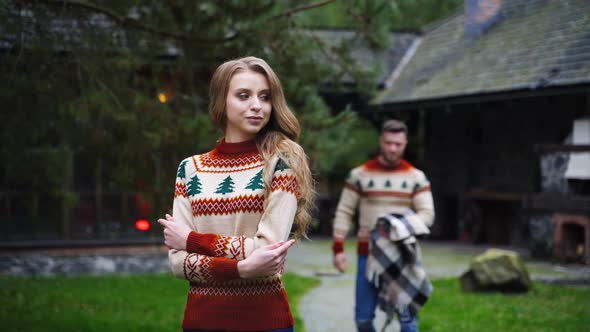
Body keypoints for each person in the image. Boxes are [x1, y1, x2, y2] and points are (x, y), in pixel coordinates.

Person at [157, 56, 314, 332]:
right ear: (221, 102)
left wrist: (192, 240)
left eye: (265, 97)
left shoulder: (282, 160)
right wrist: (241, 269)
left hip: (266, 322)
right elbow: (178, 263)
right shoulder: (190, 169)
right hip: (202, 322)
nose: (257, 105)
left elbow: (267, 250)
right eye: (244, 95)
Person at [331, 119, 435, 332]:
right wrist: (338, 248)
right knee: (363, 319)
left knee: (407, 320)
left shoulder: (416, 178)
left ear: (405, 143)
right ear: (381, 142)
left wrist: (399, 226)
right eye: (388, 143)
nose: (392, 148)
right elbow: (344, 211)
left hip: (402, 255)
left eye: (398, 144)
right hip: (367, 254)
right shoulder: (359, 175)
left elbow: (428, 214)